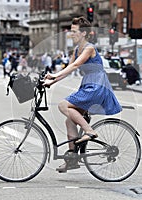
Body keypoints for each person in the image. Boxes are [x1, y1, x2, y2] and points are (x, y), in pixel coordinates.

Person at [44, 16, 122, 173]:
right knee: (69, 121)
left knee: (63, 105)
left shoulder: (89, 48)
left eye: (74, 32)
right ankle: (72, 159)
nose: (71, 35)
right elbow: (68, 69)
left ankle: (90, 131)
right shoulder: (77, 50)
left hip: (97, 87)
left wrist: (53, 77)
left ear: (84, 33)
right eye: (71, 31)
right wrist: (51, 81)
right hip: (88, 86)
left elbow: (76, 65)